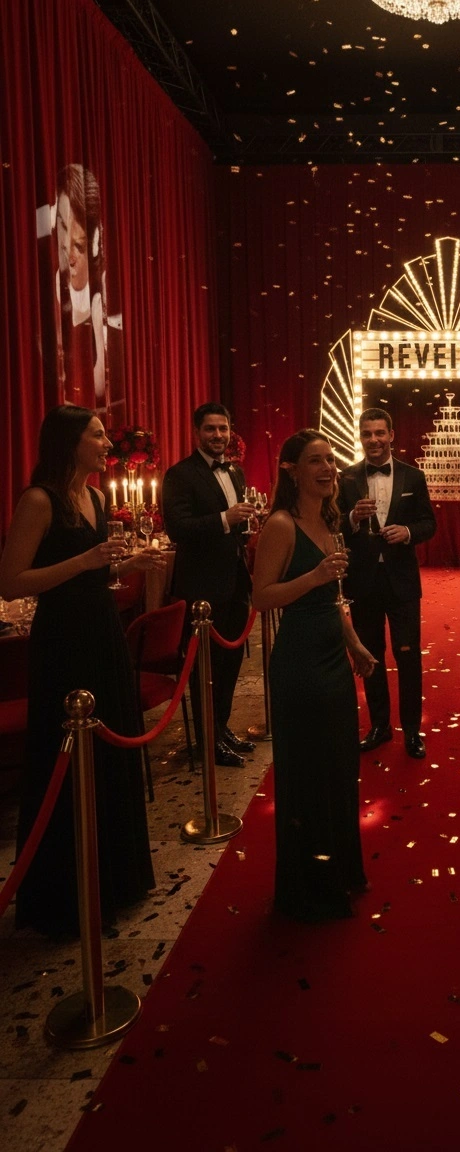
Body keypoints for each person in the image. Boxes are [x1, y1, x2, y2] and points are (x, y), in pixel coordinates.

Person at [0, 404, 162, 936]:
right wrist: (85, 562)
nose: (107, 444)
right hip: (63, 642)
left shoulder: (94, 497)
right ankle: (66, 898)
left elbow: (94, 572)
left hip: (102, 633)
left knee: (108, 754)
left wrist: (128, 564)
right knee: (68, 764)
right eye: (97, 435)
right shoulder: (39, 500)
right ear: (69, 442)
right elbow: (12, 582)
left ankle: (116, 881)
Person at [252, 430, 375, 922]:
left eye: (330, 459)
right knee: (309, 773)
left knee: (339, 770)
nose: (327, 469)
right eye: (315, 461)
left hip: (333, 658)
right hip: (300, 663)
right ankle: (310, 887)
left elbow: (333, 600)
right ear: (292, 470)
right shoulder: (281, 525)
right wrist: (315, 576)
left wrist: (355, 645)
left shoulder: (329, 518)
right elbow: (262, 597)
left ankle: (338, 870)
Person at [338, 407, 436, 759]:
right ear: (360, 436)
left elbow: (429, 523)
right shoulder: (346, 478)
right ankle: (379, 726)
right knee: (370, 655)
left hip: (402, 582)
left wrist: (407, 531)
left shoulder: (413, 476)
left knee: (408, 657)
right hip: (362, 582)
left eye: (380, 433)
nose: (374, 440)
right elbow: (332, 524)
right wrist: (352, 517)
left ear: (391, 435)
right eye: (367, 434)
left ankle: (411, 730)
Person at [162, 402, 257, 767]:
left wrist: (243, 526)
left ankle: (221, 727)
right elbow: (178, 528)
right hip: (201, 586)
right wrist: (225, 518)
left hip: (235, 580)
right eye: (210, 429)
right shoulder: (180, 475)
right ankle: (207, 740)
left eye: (223, 428)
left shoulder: (235, 472)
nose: (218, 435)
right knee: (205, 667)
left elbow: (235, 526)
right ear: (196, 432)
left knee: (230, 663)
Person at [54, 164, 108, 405]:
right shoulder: (46, 291)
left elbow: (100, 389)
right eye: (63, 227)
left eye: (79, 245)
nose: (68, 251)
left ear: (95, 239)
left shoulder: (104, 294)